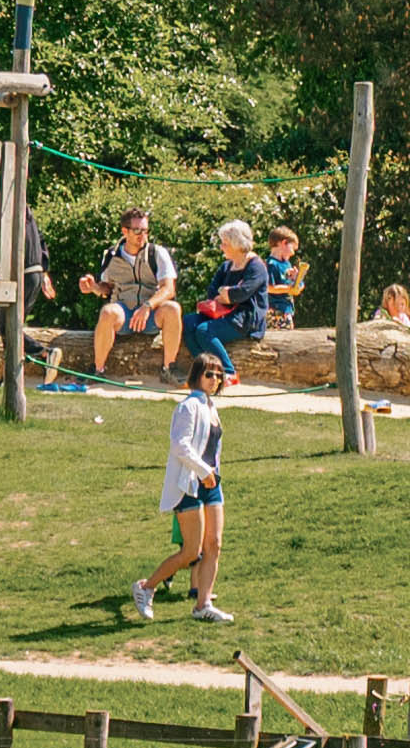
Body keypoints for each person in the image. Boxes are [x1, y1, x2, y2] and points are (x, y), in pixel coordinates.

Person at [133, 350, 235, 623]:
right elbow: (180, 446)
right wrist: (203, 471)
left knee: (214, 543)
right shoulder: (188, 406)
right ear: (197, 376)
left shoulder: (212, 408)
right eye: (208, 373)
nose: (214, 379)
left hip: (211, 483)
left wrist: (212, 474)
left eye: (218, 374)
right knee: (192, 551)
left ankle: (203, 604)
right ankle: (146, 587)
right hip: (190, 482)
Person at [84, 209, 182, 380]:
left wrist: (147, 306)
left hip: (151, 314)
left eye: (145, 230)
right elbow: (107, 288)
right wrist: (93, 287)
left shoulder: (157, 253)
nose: (142, 235)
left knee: (173, 308)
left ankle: (168, 368)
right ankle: (98, 370)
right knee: (108, 312)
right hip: (125, 312)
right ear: (125, 231)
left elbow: (168, 289)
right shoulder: (112, 255)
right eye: (137, 230)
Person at [186, 219, 272, 382]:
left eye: (225, 243)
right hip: (222, 314)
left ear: (237, 244)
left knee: (204, 331)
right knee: (189, 322)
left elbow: (243, 293)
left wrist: (229, 294)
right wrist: (226, 293)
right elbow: (212, 291)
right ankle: (206, 369)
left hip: (245, 319)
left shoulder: (256, 266)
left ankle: (228, 372)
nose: (221, 247)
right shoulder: (226, 266)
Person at [263, 225, 306, 333]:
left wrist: (296, 279)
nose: (293, 253)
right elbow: (269, 287)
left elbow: (294, 286)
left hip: (286, 310)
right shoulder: (272, 264)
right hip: (275, 311)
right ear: (283, 243)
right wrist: (289, 288)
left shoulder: (286, 264)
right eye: (292, 248)